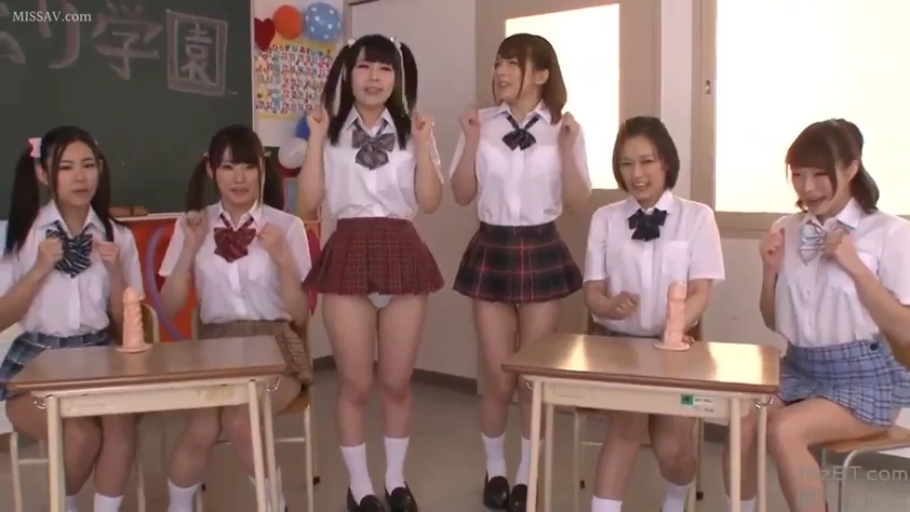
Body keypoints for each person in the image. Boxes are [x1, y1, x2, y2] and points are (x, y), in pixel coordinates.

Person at [726, 119, 910, 512]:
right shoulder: (786, 229)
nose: (807, 187)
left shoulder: (891, 233)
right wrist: (769, 271)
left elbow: (905, 331)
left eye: (819, 174)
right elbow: (773, 322)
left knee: (784, 430)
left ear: (851, 168)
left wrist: (855, 266)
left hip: (864, 378)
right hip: (799, 367)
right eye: (798, 175)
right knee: (740, 423)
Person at [299, 34, 443, 512]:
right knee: (356, 385)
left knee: (396, 383)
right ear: (348, 74)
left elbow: (430, 201)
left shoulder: (414, 130)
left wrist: (423, 144)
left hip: (401, 248)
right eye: (364, 67)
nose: (374, 77)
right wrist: (316, 138)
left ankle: (396, 482)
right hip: (349, 249)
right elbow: (308, 202)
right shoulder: (329, 130)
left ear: (397, 78)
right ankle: (359, 487)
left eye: (384, 68)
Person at [449, 33, 591, 512]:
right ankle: (495, 471)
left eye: (512, 63)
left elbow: (577, 203)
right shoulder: (482, 123)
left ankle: (527, 475)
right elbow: (461, 194)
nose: (501, 72)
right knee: (497, 376)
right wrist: (471, 139)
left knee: (532, 377)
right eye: (498, 63)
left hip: (541, 246)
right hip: (492, 245)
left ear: (542, 74)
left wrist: (566, 150)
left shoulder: (564, 128)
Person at [158, 125, 312, 512]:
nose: (239, 178)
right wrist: (189, 250)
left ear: (262, 169)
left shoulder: (287, 226)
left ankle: (274, 506)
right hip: (214, 349)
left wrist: (282, 260)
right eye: (228, 167)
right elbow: (169, 306)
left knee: (242, 421)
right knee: (202, 427)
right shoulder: (193, 225)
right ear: (211, 171)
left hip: (277, 345)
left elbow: (301, 313)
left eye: (248, 166)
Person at [582, 116, 724, 512]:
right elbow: (592, 294)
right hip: (617, 346)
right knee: (626, 426)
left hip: (676, 351)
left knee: (671, 448)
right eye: (626, 164)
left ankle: (675, 502)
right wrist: (610, 305)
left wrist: (673, 330)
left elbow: (701, 293)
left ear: (666, 163)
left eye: (646, 161)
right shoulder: (605, 218)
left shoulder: (697, 217)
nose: (637, 174)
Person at [0, 127, 143, 512]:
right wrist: (39, 270)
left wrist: (115, 274)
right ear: (42, 174)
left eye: (88, 165)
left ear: (100, 169)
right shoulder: (22, 235)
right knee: (81, 436)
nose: (80, 177)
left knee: (121, 428)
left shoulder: (118, 236)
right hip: (36, 364)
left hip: (99, 356)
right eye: (65, 167)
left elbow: (127, 322)